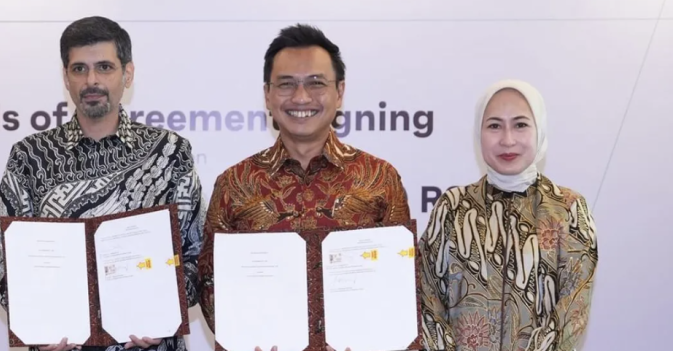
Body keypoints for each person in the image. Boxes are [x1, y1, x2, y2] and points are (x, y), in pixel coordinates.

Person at [0, 16, 205, 351]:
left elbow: (196, 253)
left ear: (127, 74)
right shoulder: (30, 156)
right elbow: (2, 254)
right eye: (79, 69)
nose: (91, 80)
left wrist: (164, 313)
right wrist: (34, 322)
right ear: (66, 77)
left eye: (104, 67)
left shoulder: (170, 152)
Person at [197, 24, 411, 351]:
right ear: (267, 94)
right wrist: (245, 338)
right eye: (286, 84)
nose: (301, 97)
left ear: (339, 92)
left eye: (315, 83)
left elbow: (402, 282)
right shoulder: (235, 183)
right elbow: (209, 282)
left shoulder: (379, 178)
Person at [418, 80, 598, 351]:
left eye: (520, 124)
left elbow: (573, 311)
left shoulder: (568, 209)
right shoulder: (452, 208)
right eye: (494, 126)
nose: (507, 140)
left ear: (539, 129)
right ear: (479, 132)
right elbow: (427, 299)